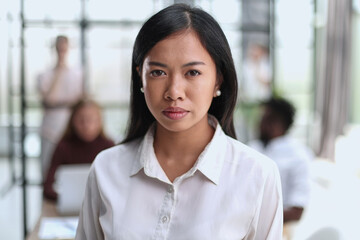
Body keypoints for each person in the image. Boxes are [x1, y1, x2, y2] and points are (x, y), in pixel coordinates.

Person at [76, 4, 283, 239]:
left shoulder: (257, 175)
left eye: (192, 73)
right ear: (140, 78)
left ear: (218, 80)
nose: (174, 92)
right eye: (158, 72)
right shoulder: (106, 169)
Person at [248, 97, 313, 223]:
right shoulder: (252, 147)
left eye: (263, 119)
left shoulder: (299, 156)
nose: (258, 124)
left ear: (276, 123)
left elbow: (296, 212)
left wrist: (253, 219)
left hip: (278, 228)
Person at [43, 99, 114, 200]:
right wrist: (66, 198)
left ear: (100, 121)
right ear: (73, 121)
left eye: (91, 120)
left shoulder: (109, 146)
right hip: (67, 206)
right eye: (81, 120)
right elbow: (48, 186)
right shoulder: (63, 146)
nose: (86, 125)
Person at [37, 35, 84, 179]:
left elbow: (78, 101)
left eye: (64, 48)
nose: (62, 52)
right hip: (50, 130)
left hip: (70, 129)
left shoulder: (77, 74)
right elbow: (48, 99)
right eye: (59, 49)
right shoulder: (45, 75)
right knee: (47, 171)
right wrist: (59, 71)